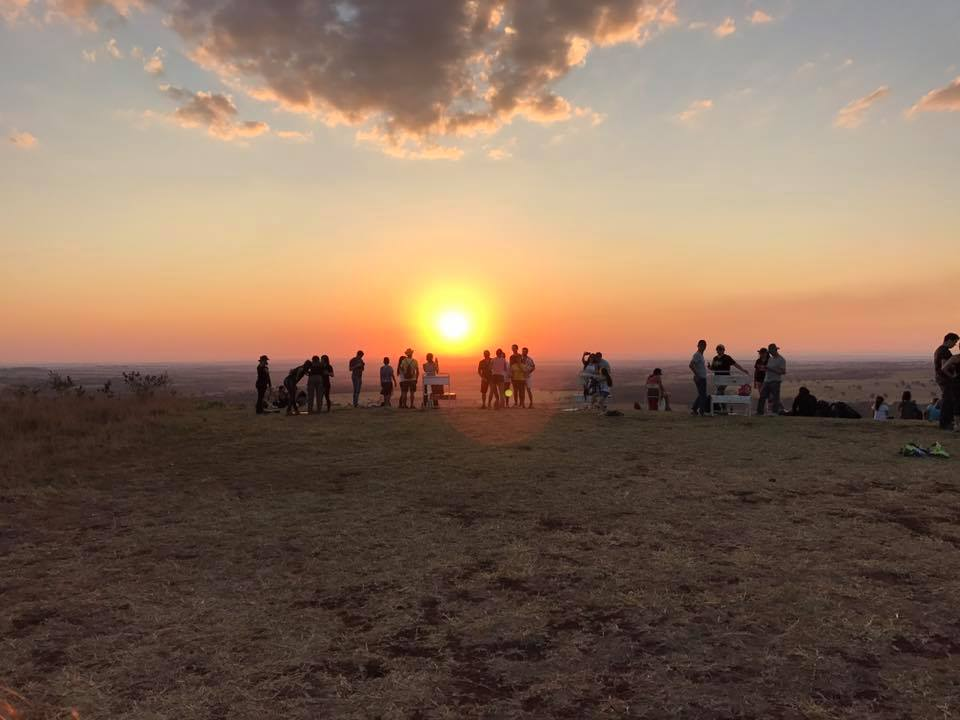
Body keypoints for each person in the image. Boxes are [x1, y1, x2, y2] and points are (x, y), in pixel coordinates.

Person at [710, 344, 749, 414]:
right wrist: (709, 367)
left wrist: (743, 370)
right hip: (717, 379)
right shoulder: (715, 358)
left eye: (720, 349)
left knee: (719, 393)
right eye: (718, 349)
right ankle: (723, 410)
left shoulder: (727, 358)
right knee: (720, 393)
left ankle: (721, 409)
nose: (719, 350)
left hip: (725, 379)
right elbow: (713, 368)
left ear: (723, 350)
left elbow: (735, 364)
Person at [935, 333, 959, 431]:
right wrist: (952, 376)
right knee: (948, 401)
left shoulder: (939, 349)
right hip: (946, 380)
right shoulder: (945, 351)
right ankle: (945, 424)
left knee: (947, 400)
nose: (954, 345)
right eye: (954, 342)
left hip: (941, 378)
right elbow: (944, 366)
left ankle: (945, 423)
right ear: (949, 340)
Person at [756, 343, 786, 416]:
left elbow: (783, 372)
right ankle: (760, 412)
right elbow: (768, 369)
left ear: (775, 350)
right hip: (767, 380)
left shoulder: (781, 359)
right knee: (762, 396)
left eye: (771, 351)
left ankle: (775, 412)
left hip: (775, 381)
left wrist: (771, 369)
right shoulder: (771, 359)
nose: (770, 353)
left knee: (775, 398)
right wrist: (763, 368)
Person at [689, 340, 709, 416]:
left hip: (701, 377)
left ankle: (694, 410)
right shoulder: (697, 355)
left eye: (704, 345)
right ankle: (701, 412)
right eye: (702, 345)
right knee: (703, 395)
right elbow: (691, 365)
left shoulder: (700, 355)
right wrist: (697, 375)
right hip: (700, 378)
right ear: (698, 346)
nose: (703, 347)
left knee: (701, 394)